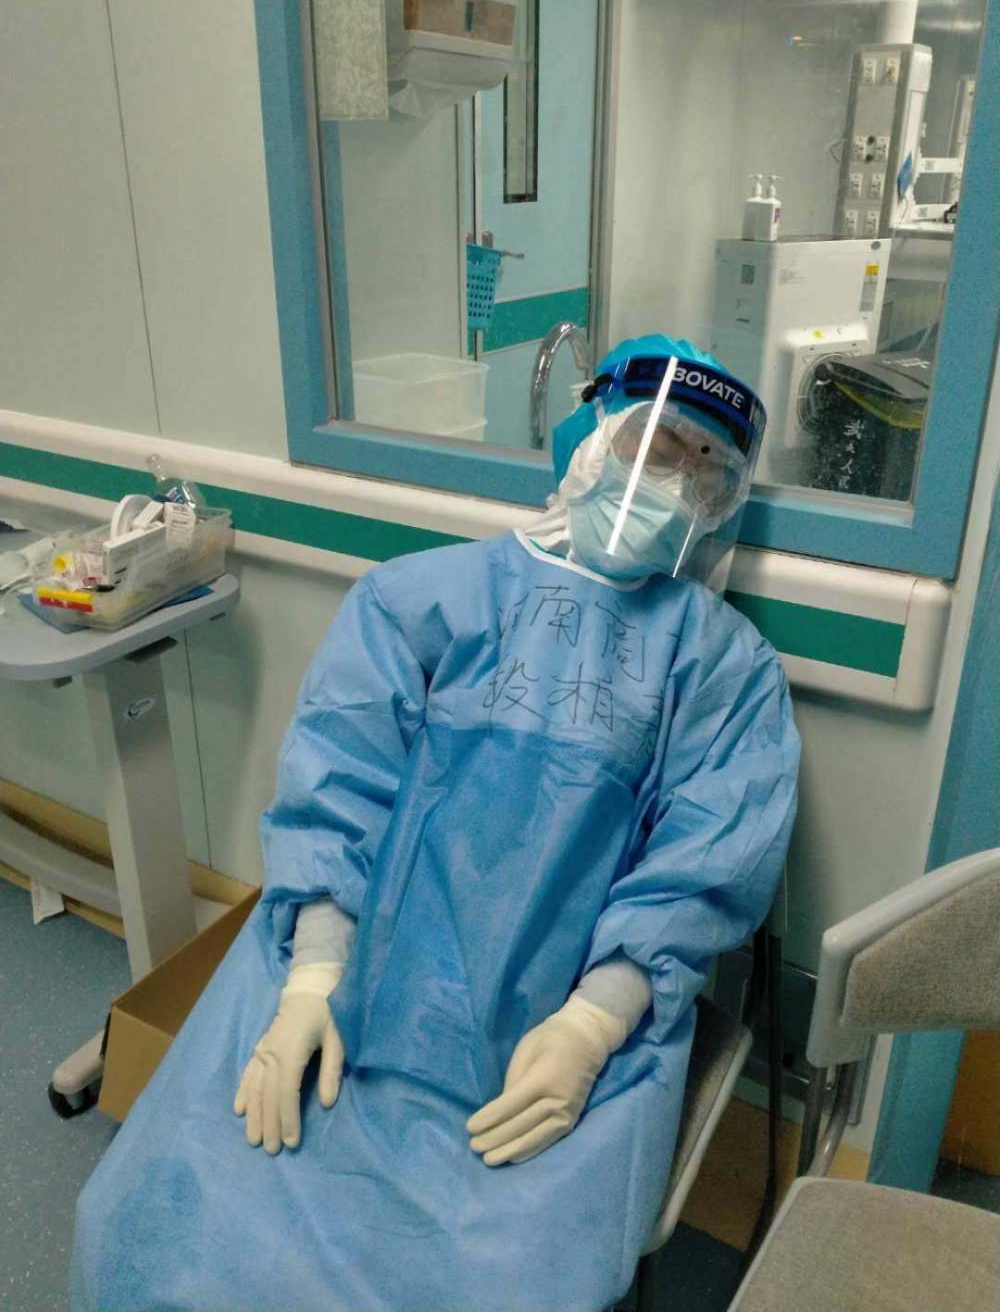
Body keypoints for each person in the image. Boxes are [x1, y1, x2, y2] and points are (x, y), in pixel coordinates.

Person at [71, 336, 799, 1312]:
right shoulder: (418, 601)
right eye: (656, 447)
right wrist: (312, 976)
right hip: (357, 982)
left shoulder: (726, 671)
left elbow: (703, 867)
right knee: (168, 1232)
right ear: (587, 437)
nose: (672, 485)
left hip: (553, 1029)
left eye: (705, 471)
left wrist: (594, 1023)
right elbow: (337, 793)